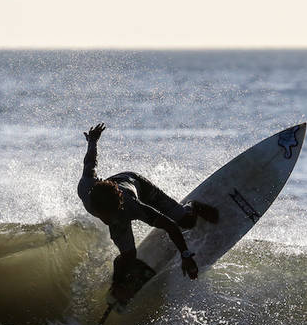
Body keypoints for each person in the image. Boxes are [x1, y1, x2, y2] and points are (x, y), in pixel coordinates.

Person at [77, 123, 217, 292]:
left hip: (137, 184)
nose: (108, 220)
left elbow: (170, 225)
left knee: (186, 222)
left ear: (119, 205)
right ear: (96, 208)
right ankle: (118, 285)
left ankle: (192, 206)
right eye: (105, 215)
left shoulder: (131, 206)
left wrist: (185, 255)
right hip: (112, 191)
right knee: (128, 257)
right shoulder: (86, 188)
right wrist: (92, 141)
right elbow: (90, 162)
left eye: (112, 214)